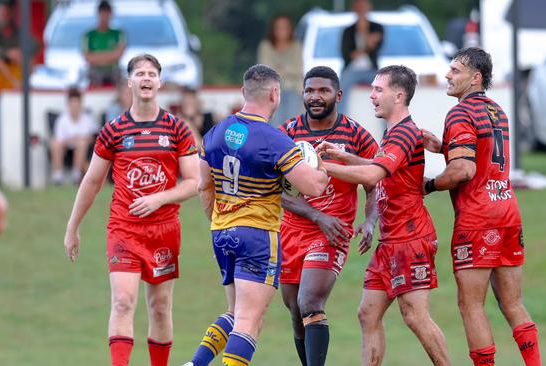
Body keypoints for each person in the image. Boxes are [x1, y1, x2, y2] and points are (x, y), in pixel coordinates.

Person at [186, 64, 328, 366]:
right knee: (248, 321)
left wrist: (219, 225)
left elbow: (203, 186)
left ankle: (195, 364)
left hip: (221, 232)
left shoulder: (214, 133)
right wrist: (321, 166)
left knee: (236, 312)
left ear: (243, 92)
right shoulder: (273, 139)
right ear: (275, 94)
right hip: (258, 236)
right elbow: (313, 187)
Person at [63, 53, 199, 366]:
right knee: (123, 302)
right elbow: (92, 181)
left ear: (160, 82)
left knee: (160, 307)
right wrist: (73, 227)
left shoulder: (177, 129)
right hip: (124, 229)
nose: (147, 78)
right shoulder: (113, 130)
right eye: (140, 73)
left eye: (152, 73)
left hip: (164, 231)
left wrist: (160, 198)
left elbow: (193, 182)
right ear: (130, 82)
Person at [320, 65, 450, 366]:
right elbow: (381, 168)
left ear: (399, 95)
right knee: (368, 314)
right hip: (390, 240)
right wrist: (343, 156)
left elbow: (372, 173)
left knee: (415, 317)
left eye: (379, 89)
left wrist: (321, 167)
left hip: (412, 237)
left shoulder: (403, 133)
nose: (372, 95)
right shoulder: (394, 133)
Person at [422, 47, 541, 366]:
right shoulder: (496, 110)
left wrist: (429, 185)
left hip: (478, 218)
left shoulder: (459, 113)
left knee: (471, 305)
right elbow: (484, 154)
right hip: (508, 212)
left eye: (455, 70)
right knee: (513, 304)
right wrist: (444, 147)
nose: (448, 75)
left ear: (475, 78)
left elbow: (464, 170)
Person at [278, 66, 379, 366]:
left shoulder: (356, 133)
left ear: (338, 94)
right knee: (296, 314)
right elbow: (274, 189)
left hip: (331, 233)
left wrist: (371, 220)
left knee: (309, 302)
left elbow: (375, 180)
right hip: (292, 232)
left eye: (323, 91)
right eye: (310, 91)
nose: (315, 97)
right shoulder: (287, 133)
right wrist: (315, 215)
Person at [257, 14, 303, 127]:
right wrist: (287, 70)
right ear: (273, 29)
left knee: (291, 126)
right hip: (271, 92)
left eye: (285, 27)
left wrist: (279, 69)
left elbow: (298, 69)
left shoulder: (296, 46)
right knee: (275, 126)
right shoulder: (265, 46)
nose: (281, 31)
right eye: (278, 27)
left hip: (293, 90)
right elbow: (265, 71)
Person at [339, 0, 383, 115]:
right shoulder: (348, 31)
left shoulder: (377, 27)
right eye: (358, 6)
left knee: (385, 90)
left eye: (364, 5)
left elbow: (376, 48)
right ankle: (340, 124)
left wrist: (363, 30)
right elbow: (347, 54)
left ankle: (388, 128)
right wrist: (367, 44)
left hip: (371, 69)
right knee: (339, 91)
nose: (361, 9)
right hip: (352, 69)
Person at [50, 88, 98, 185]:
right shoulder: (62, 119)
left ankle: (76, 176)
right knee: (55, 144)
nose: (74, 107)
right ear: (68, 105)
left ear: (81, 104)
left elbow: (94, 136)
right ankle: (58, 177)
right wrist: (71, 140)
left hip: (83, 149)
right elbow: (59, 139)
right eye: (72, 104)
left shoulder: (88, 119)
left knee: (81, 143)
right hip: (66, 149)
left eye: (77, 104)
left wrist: (81, 139)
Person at [82, 0, 126, 87]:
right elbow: (88, 57)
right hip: (94, 71)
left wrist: (97, 57)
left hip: (114, 70)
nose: (104, 16)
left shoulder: (118, 34)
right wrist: (110, 56)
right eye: (102, 13)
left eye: (107, 13)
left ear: (111, 14)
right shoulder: (89, 35)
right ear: (98, 13)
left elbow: (118, 54)